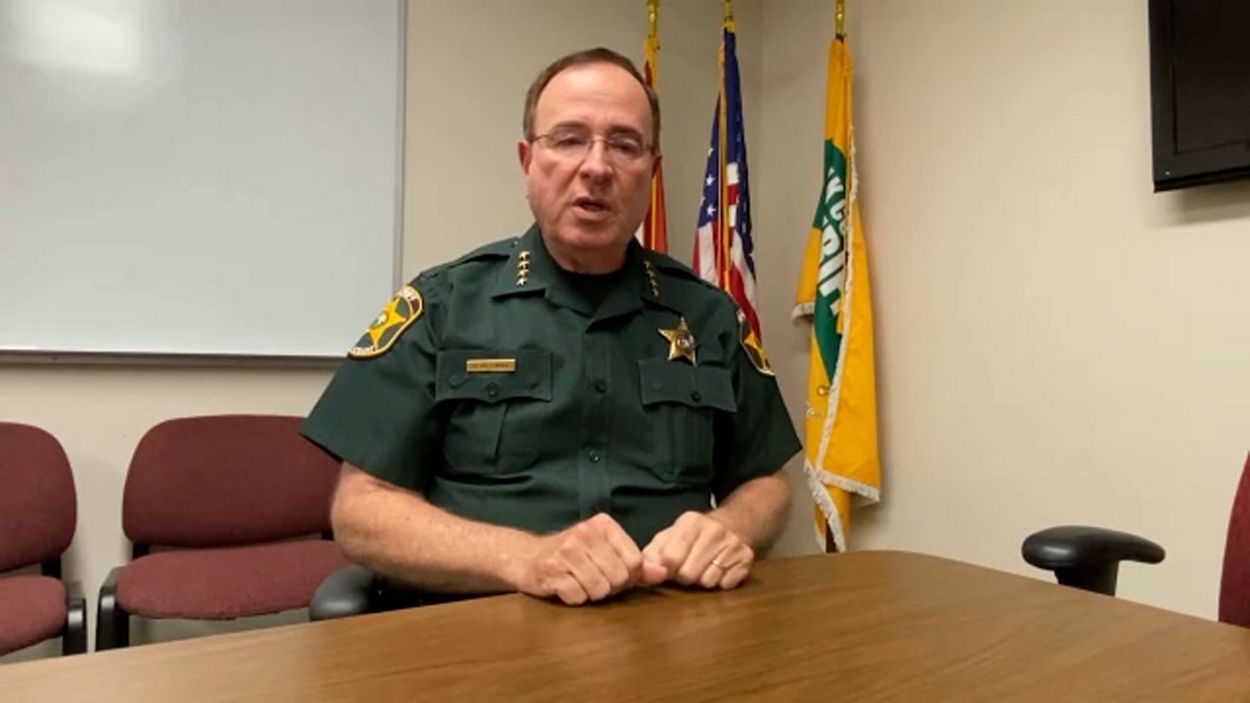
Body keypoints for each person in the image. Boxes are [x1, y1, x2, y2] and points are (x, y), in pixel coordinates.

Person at [302, 47, 800, 607]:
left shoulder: (708, 315)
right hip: (483, 623)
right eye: (568, 139)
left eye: (625, 145)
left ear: (651, 171)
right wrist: (524, 559)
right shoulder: (443, 307)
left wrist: (729, 528)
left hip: (669, 621)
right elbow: (361, 510)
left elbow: (767, 483)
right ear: (528, 161)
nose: (597, 167)